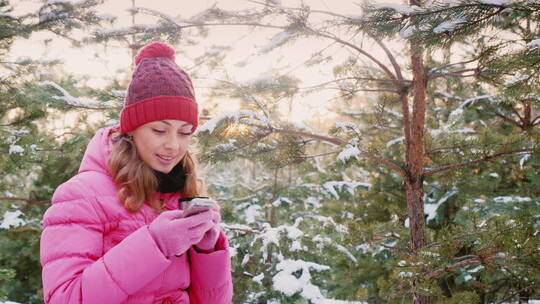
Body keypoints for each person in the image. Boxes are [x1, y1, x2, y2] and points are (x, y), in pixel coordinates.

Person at [39, 42, 233, 304]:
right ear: (132, 129)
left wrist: (205, 251)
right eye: (159, 130)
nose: (173, 145)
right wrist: (155, 244)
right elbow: (65, 298)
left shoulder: (179, 195)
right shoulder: (81, 195)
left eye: (185, 132)